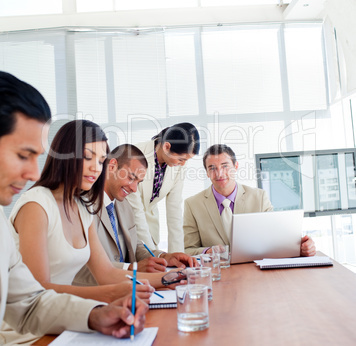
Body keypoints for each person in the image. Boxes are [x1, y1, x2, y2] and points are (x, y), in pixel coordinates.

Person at [0, 71, 147, 345]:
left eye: (102, 160)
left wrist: (96, 315)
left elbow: (29, 302)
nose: (33, 172)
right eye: (23, 155)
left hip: (55, 328)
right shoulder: (36, 204)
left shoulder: (81, 206)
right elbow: (41, 289)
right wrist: (109, 295)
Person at [74, 144, 197, 287]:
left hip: (129, 291)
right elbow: (79, 265)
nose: (133, 189)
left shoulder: (124, 205)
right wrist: (131, 268)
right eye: (131, 178)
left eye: (138, 182)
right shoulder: (81, 205)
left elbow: (135, 245)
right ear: (112, 166)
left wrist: (163, 257)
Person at [183, 144, 316, 257]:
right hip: (218, 275)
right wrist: (208, 251)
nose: (219, 173)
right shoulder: (193, 204)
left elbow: (277, 237)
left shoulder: (259, 198)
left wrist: (302, 247)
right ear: (206, 172)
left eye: (225, 166)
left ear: (236, 166)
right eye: (212, 168)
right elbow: (187, 250)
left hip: (255, 272)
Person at [127, 123, 200, 253]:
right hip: (127, 224)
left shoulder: (179, 166)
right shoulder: (135, 155)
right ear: (167, 146)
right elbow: (136, 209)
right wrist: (153, 255)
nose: (183, 164)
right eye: (181, 159)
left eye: (186, 160)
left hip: (150, 227)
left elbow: (175, 210)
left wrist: (177, 255)